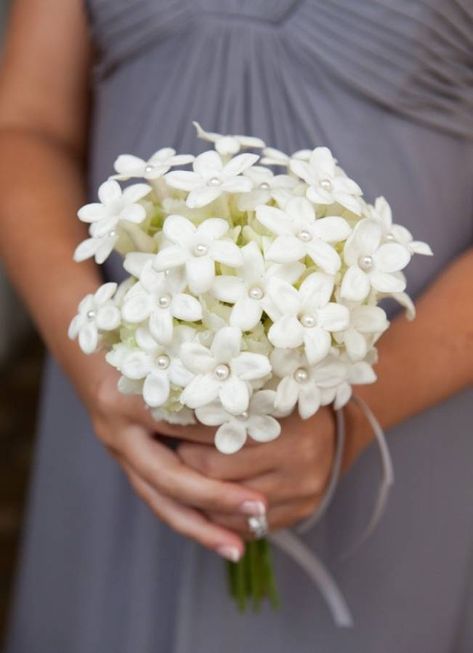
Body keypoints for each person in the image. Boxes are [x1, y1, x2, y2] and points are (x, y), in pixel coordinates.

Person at [0, 1, 472, 651]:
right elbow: (25, 124)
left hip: (406, 413)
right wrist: (100, 365)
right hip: (123, 407)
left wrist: (354, 416)